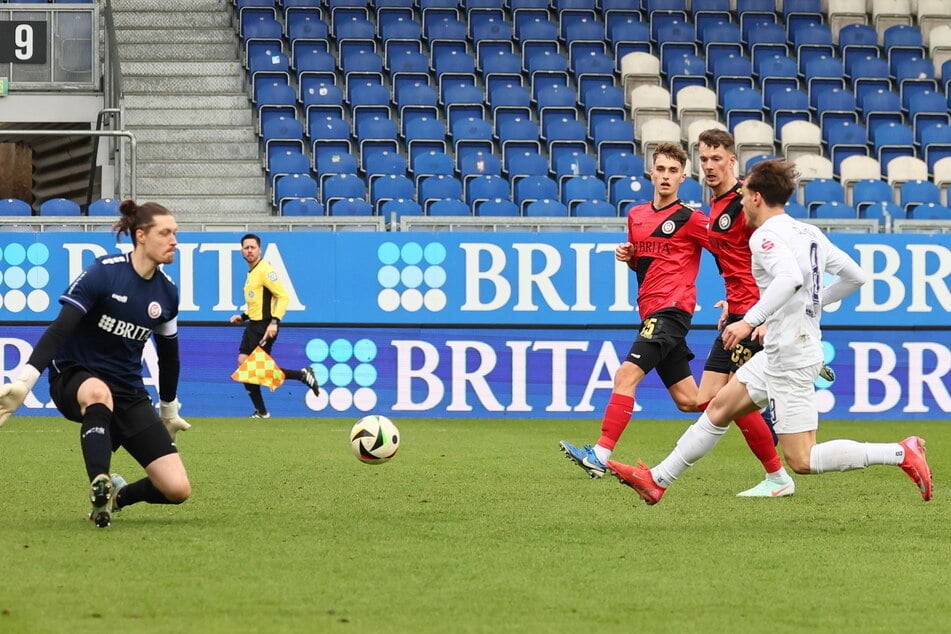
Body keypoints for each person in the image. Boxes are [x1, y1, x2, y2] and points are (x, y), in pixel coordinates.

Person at [607, 159, 933, 505]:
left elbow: (789, 279)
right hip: (784, 349)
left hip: (791, 356)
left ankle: (900, 452)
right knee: (718, 408)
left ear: (758, 197)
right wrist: (811, 305)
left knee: (803, 460)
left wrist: (751, 320)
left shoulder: (764, 236)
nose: (741, 200)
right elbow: (856, 277)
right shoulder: (808, 232)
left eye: (745, 193)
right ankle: (657, 480)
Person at [0, 199, 193, 528]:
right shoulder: (103, 273)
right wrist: (24, 382)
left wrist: (169, 411)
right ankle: (99, 483)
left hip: (129, 392)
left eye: (175, 232)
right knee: (98, 392)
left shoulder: (168, 293)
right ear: (141, 236)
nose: (174, 240)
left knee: (177, 489)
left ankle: (118, 496)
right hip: (75, 376)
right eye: (166, 233)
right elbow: (60, 330)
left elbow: (170, 355)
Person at [559, 143, 708, 477]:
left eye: (673, 171)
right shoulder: (637, 216)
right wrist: (631, 259)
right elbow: (647, 266)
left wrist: (736, 295)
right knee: (690, 400)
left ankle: (600, 454)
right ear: (651, 173)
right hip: (650, 310)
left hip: (671, 311)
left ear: (683, 177)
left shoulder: (692, 219)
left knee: (625, 375)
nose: (666, 176)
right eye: (661, 169)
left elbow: (726, 252)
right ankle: (754, 405)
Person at [695, 129, 795, 497]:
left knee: (730, 401)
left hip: (752, 315)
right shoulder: (716, 205)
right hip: (736, 310)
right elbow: (737, 262)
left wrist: (765, 315)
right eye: (704, 159)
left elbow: (774, 253)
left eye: (716, 158)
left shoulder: (745, 203)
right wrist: (728, 299)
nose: (709, 166)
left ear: (732, 161)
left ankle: (777, 475)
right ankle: (777, 470)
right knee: (708, 399)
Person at [231, 233, 320, 418]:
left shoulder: (265, 270)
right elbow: (257, 304)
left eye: (252, 247)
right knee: (244, 364)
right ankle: (262, 410)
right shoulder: (252, 272)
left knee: (253, 368)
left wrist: (274, 322)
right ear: (241, 251)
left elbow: (284, 297)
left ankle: (301, 376)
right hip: (253, 325)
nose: (249, 251)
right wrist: (242, 316)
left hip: (265, 326)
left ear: (259, 250)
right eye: (246, 248)